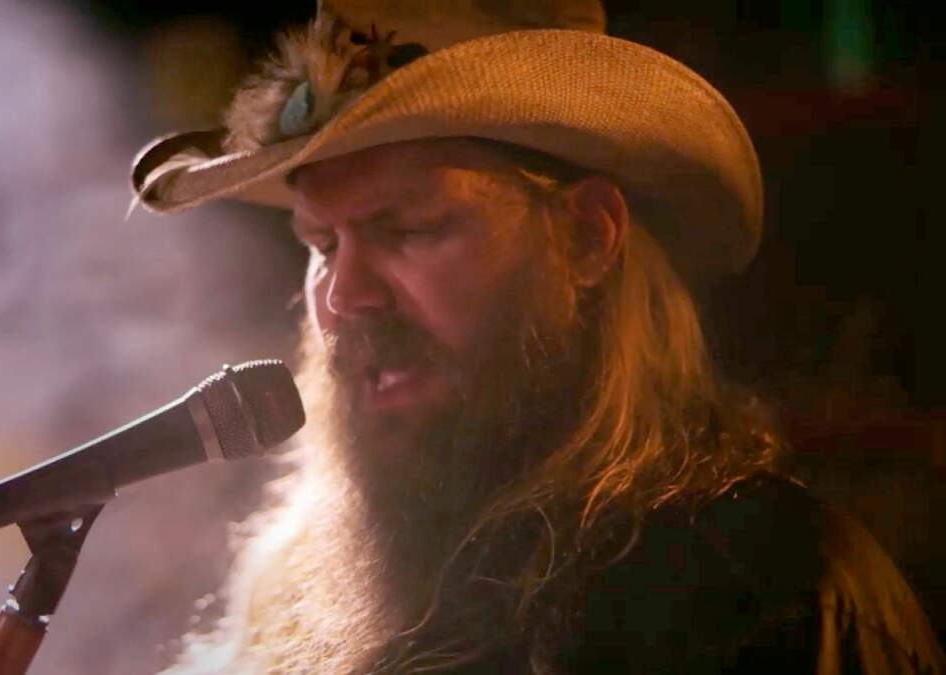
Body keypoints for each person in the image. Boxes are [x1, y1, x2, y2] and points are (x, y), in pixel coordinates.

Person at [130, 1, 946, 672]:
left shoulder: (769, 605)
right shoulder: (289, 602)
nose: (343, 296)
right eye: (321, 244)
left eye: (409, 229)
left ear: (588, 236)